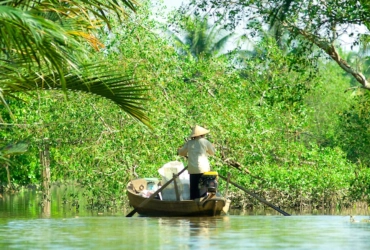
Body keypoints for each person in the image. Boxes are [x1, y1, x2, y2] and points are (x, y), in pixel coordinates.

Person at [178, 125, 215, 199]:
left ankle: (193, 203)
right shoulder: (205, 142)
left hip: (193, 169)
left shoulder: (189, 143)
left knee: (194, 190)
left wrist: (179, 150)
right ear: (202, 134)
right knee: (202, 190)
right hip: (203, 169)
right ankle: (202, 204)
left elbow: (181, 153)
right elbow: (212, 152)